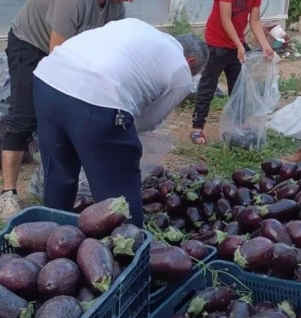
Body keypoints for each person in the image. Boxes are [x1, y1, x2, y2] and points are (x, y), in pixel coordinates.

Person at [0, 0, 154, 220]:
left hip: (65, 49)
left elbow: (109, 51)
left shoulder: (116, 6)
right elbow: (57, 57)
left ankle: (46, 163)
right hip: (31, 44)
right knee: (24, 116)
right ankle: (8, 194)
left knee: (64, 114)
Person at [31, 18, 209, 227]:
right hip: (98, 97)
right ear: (190, 61)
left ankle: (53, 236)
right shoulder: (181, 71)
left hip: (48, 79)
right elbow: (149, 119)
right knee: (118, 195)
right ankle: (127, 249)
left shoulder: (139, 26)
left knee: (59, 174)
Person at [189, 0, 276, 145]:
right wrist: (238, 44)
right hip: (216, 43)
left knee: (239, 87)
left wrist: (265, 44)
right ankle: (197, 127)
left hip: (237, 44)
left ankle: (237, 127)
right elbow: (225, 18)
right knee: (207, 87)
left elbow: (254, 21)